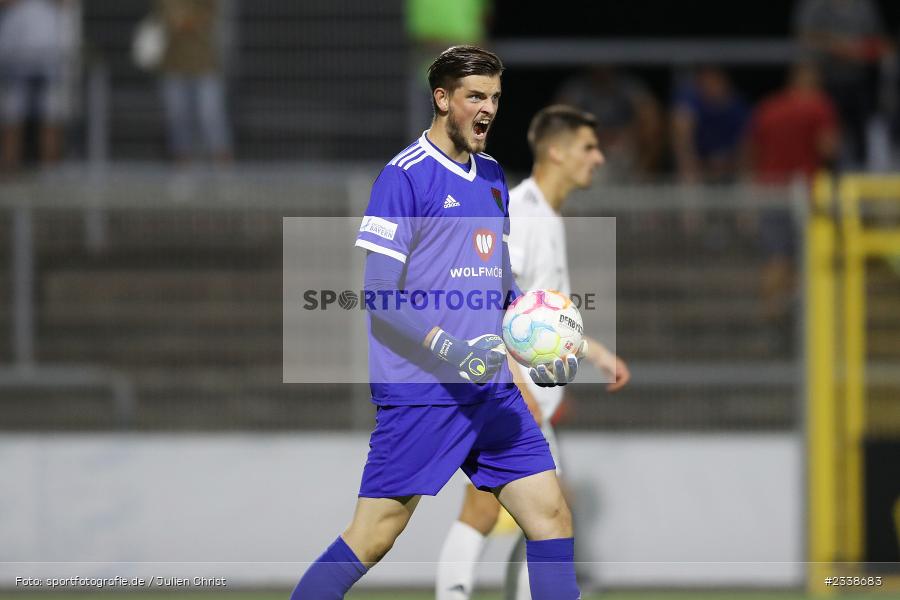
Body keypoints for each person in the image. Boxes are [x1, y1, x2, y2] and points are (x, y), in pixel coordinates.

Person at [289, 46, 584, 600]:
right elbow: (377, 294)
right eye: (476, 96)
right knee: (374, 537)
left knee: (551, 518)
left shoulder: (493, 176)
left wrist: (538, 341)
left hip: (490, 392)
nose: (489, 109)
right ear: (442, 99)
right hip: (425, 393)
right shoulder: (404, 179)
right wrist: (453, 349)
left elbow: (499, 285)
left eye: (495, 97)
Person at [435, 105, 631, 600]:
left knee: (527, 515)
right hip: (509, 395)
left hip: (523, 399)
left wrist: (593, 351)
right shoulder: (521, 213)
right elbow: (482, 298)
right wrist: (515, 385)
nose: (599, 158)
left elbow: (535, 310)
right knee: (538, 516)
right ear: (557, 151)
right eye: (589, 147)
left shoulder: (544, 213)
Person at [746, 63, 839, 345]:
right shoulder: (819, 107)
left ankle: (770, 321)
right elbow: (829, 147)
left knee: (774, 259)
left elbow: (751, 150)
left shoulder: (768, 108)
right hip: (804, 195)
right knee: (805, 260)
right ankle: (800, 327)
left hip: (770, 191)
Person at [555, 67, 664, 182]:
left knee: (648, 131)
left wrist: (627, 134)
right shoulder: (576, 89)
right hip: (589, 150)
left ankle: (639, 181)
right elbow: (557, 122)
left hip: (624, 151)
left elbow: (651, 121)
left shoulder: (630, 86)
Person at [156, 0, 232, 163]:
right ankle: (183, 160)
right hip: (173, 63)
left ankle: (222, 160)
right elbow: (165, 16)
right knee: (177, 115)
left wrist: (186, 20)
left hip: (204, 63)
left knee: (210, 114)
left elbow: (209, 16)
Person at [0, 0, 69, 171]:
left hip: (47, 51)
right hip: (15, 52)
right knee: (12, 117)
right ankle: (10, 169)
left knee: (50, 117)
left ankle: (50, 173)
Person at [671, 66, 749, 184]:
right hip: (697, 165)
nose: (711, 86)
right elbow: (682, 136)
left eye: (715, 81)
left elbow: (745, 145)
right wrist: (690, 168)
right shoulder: (689, 100)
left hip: (727, 167)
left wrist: (739, 172)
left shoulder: (736, 106)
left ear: (724, 82)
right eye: (706, 81)